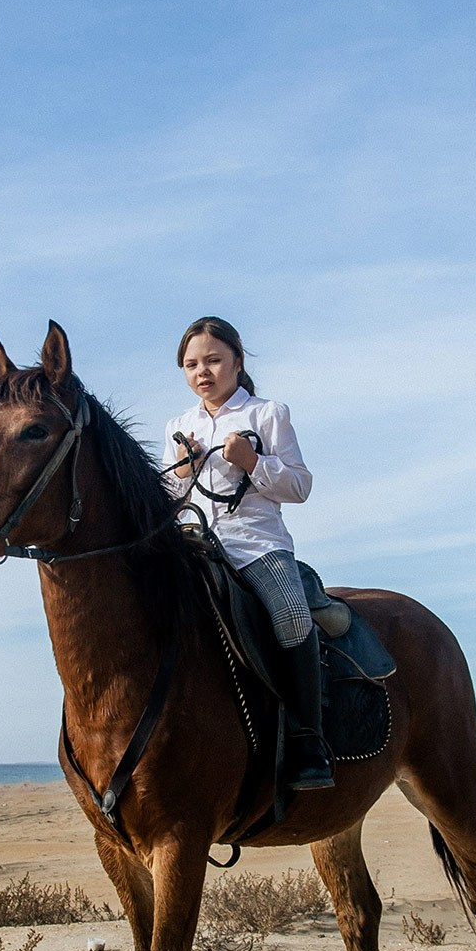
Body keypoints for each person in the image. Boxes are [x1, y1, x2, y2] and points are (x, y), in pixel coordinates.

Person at [161, 317, 336, 792]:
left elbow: (299, 486)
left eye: (214, 360)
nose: (204, 372)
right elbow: (166, 495)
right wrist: (181, 470)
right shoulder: (179, 426)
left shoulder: (267, 414)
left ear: (237, 361)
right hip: (194, 546)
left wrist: (252, 462)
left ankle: (307, 738)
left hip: (257, 546)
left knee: (292, 619)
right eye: (192, 364)